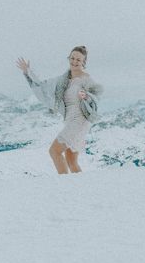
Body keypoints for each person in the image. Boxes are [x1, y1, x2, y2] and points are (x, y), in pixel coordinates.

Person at [16, 46, 103, 174]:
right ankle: (82, 189)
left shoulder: (86, 80)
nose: (74, 62)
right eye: (72, 58)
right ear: (69, 58)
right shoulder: (63, 80)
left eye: (78, 60)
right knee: (71, 161)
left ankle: (64, 187)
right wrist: (27, 71)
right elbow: (43, 85)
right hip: (69, 120)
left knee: (54, 151)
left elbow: (95, 98)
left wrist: (86, 97)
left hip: (80, 120)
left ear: (84, 62)